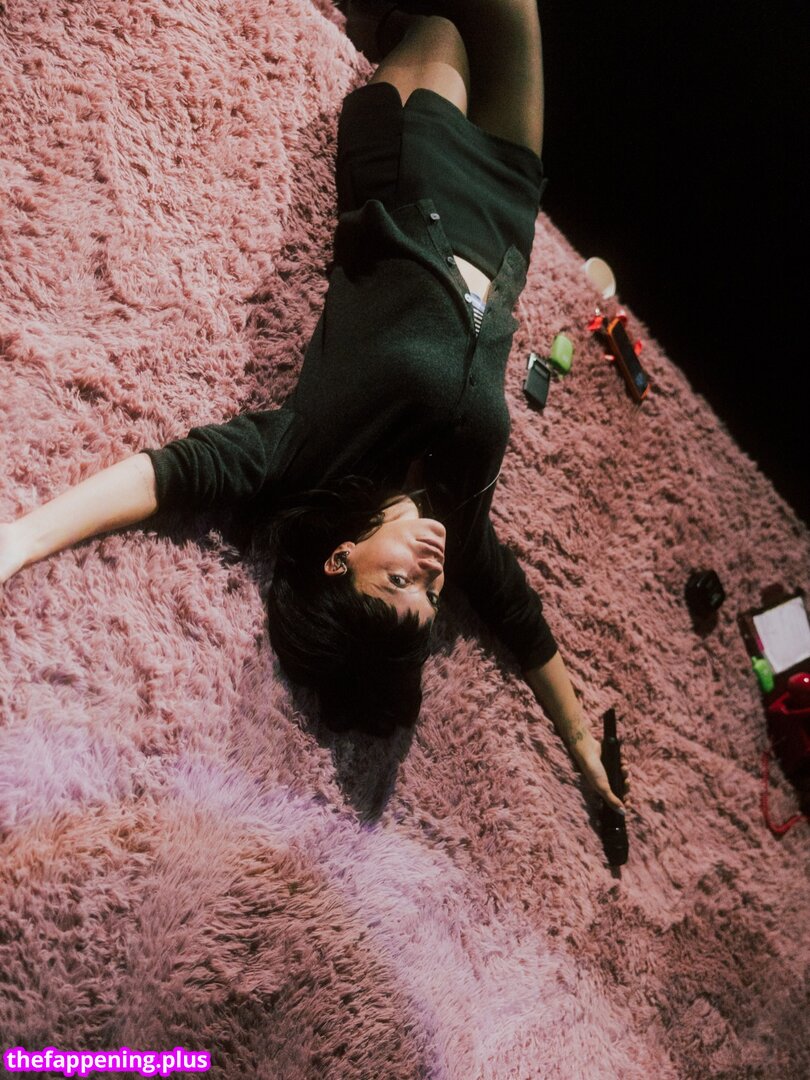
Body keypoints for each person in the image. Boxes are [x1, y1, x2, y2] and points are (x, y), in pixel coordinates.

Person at [0, 0, 628, 812]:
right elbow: (521, 618)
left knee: (443, 29)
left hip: (412, 164)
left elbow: (166, 476)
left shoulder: (306, 452)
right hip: (508, 208)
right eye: (432, 596)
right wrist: (579, 744)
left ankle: (383, 24)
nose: (433, 570)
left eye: (400, 578)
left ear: (341, 559)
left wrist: (18, 542)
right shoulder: (458, 519)